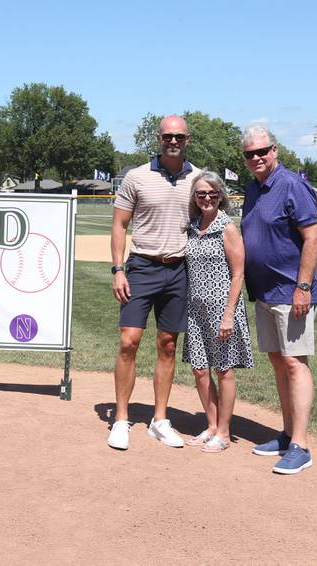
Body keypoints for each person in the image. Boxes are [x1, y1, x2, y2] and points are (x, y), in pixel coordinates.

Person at [108, 115, 201, 450]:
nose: (173, 141)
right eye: (167, 136)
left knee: (168, 344)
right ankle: (120, 418)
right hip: (142, 267)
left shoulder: (197, 178)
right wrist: (118, 269)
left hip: (179, 270)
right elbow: (119, 225)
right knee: (129, 341)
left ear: (187, 138)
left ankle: (159, 419)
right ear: (158, 138)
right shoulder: (137, 177)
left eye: (178, 136)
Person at [240, 126, 317, 475]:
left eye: (263, 151)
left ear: (275, 150)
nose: (257, 158)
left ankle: (301, 445)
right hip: (264, 292)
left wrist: (303, 287)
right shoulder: (253, 189)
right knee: (277, 360)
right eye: (250, 154)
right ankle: (288, 433)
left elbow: (313, 238)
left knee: (294, 362)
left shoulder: (291, 185)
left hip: (292, 292)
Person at [182, 171, 254, 453]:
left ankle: (224, 432)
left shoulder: (227, 227)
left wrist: (229, 314)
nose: (207, 198)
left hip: (222, 309)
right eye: (201, 194)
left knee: (223, 370)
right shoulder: (193, 226)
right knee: (200, 369)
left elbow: (238, 274)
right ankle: (211, 425)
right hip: (196, 309)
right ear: (195, 197)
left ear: (221, 195)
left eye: (212, 193)